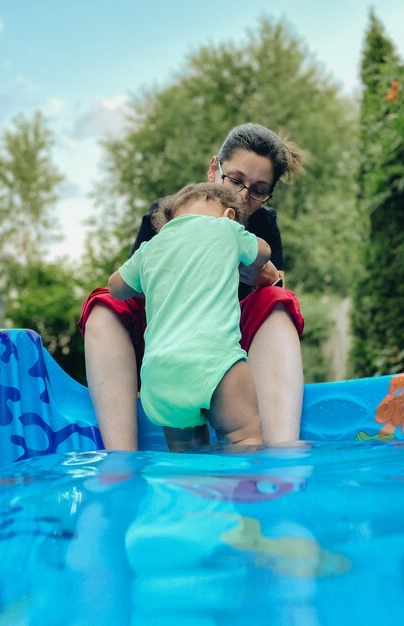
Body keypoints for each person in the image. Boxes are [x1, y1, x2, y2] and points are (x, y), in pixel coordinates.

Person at [79, 123, 305, 450]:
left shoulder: (263, 224)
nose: (244, 195)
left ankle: (282, 452)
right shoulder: (169, 215)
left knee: (278, 299)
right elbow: (132, 289)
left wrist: (262, 274)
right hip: (167, 342)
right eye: (236, 180)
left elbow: (277, 283)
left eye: (258, 189)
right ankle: (121, 457)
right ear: (214, 168)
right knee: (102, 304)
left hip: (229, 351)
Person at [108, 183, 271, 451]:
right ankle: (242, 489)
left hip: (161, 376)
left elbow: (115, 287)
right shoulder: (226, 228)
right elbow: (263, 253)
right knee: (244, 439)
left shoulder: (150, 247)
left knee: (186, 458)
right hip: (215, 361)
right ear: (229, 214)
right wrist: (248, 261)